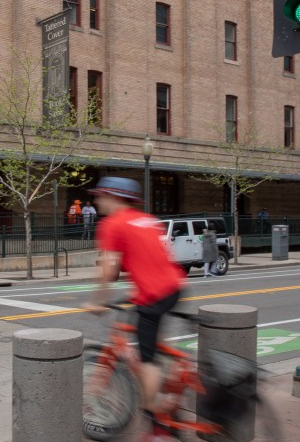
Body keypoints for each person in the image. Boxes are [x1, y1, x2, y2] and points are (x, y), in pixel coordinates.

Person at [84, 176, 185, 439]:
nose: (96, 200)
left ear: (114, 197)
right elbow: (150, 257)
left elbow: (108, 271)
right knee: (153, 343)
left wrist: (97, 301)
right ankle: (170, 387)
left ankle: (157, 424)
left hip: (153, 295)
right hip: (173, 288)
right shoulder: (147, 219)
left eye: (100, 195)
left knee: (146, 359)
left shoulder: (112, 224)